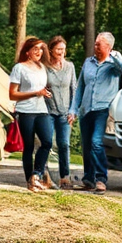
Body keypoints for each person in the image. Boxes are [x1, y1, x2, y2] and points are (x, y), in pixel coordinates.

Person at [68, 32, 122, 194]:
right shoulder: (88, 62)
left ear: (108, 47)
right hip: (86, 110)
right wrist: (73, 109)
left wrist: (115, 55)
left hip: (103, 110)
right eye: (95, 44)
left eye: (98, 44)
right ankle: (88, 180)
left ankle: (101, 179)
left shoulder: (113, 65)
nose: (95, 47)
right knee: (87, 145)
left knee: (96, 142)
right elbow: (80, 87)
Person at [8, 37, 54, 192]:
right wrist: (35, 93)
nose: (39, 52)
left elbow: (41, 88)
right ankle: (30, 181)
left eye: (41, 49)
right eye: (35, 49)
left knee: (47, 142)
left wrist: (45, 93)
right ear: (27, 52)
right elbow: (12, 94)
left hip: (42, 110)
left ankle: (37, 174)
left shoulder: (42, 67)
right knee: (28, 147)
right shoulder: (19, 68)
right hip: (25, 111)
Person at [44, 35, 77, 190]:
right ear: (51, 50)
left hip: (65, 113)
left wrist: (73, 110)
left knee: (64, 144)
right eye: (58, 49)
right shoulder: (44, 67)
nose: (61, 52)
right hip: (48, 111)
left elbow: (74, 89)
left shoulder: (70, 66)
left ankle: (65, 177)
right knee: (47, 143)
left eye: (63, 49)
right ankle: (44, 175)